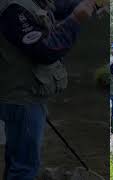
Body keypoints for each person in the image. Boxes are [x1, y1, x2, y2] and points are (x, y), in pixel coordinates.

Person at [0, 0, 97, 179]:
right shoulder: (13, 10)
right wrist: (76, 19)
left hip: (25, 94)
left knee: (17, 158)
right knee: (25, 167)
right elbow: (45, 51)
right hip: (22, 98)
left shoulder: (34, 2)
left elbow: (61, 7)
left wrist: (92, 4)